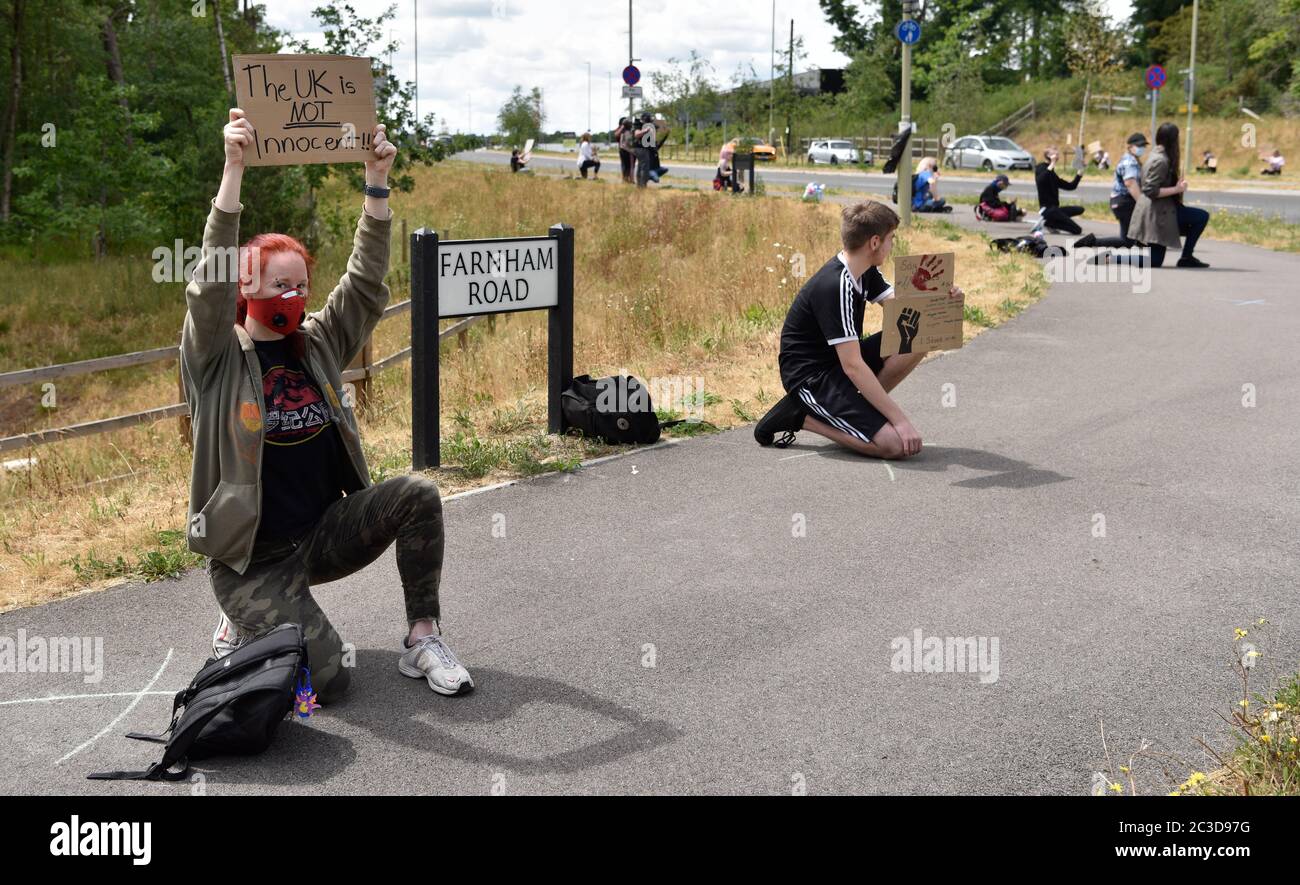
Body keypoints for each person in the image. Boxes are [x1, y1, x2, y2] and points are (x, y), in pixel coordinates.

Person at [186, 108, 473, 704]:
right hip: (253, 561)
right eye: (278, 287)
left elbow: (365, 284)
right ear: (247, 291)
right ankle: (247, 624)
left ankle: (423, 637)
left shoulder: (315, 343)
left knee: (418, 494)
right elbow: (206, 288)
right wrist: (232, 171)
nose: (292, 297)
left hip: (320, 535)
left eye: (300, 285)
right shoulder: (215, 357)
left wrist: (376, 183)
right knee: (329, 683)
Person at [753, 200, 963, 459]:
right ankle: (802, 416)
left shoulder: (864, 270)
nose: (892, 245)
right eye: (891, 238)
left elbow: (902, 309)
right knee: (894, 445)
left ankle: (863, 412)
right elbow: (852, 365)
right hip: (812, 377)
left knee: (919, 336)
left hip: (836, 364)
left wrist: (943, 298)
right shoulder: (836, 285)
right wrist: (900, 421)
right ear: (874, 242)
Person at [1128, 121, 1210, 268]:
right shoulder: (1161, 160)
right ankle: (1186, 257)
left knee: (1155, 260)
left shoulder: (1156, 154)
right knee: (1201, 216)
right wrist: (1177, 189)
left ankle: (1187, 257)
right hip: (1157, 215)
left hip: (1159, 211)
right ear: (1173, 140)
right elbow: (1150, 190)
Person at [1075, 132, 1147, 254]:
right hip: (1124, 201)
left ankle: (1141, 242)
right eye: (1139, 145)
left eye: (1144, 145)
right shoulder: (1130, 162)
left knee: (1132, 233)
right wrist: (1142, 202)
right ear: (1130, 147)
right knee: (1126, 241)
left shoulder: (1131, 159)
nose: (1142, 148)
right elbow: (1130, 183)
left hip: (1123, 201)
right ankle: (1092, 242)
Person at [1034, 148, 1085, 234]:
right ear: (1048, 156)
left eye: (1058, 154)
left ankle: (1052, 223)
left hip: (1055, 209)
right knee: (1077, 230)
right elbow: (1041, 180)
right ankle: (1048, 223)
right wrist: (1052, 163)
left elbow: (1071, 186)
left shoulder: (1053, 174)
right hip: (1047, 210)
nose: (1058, 156)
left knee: (1080, 209)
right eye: (1055, 154)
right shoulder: (1040, 167)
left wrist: (1080, 172)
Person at [615, 117, 636, 183]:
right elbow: (616, 135)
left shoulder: (632, 130)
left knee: (631, 165)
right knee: (624, 165)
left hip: (630, 150)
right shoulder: (621, 129)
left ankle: (631, 179)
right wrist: (622, 126)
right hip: (622, 149)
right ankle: (625, 179)